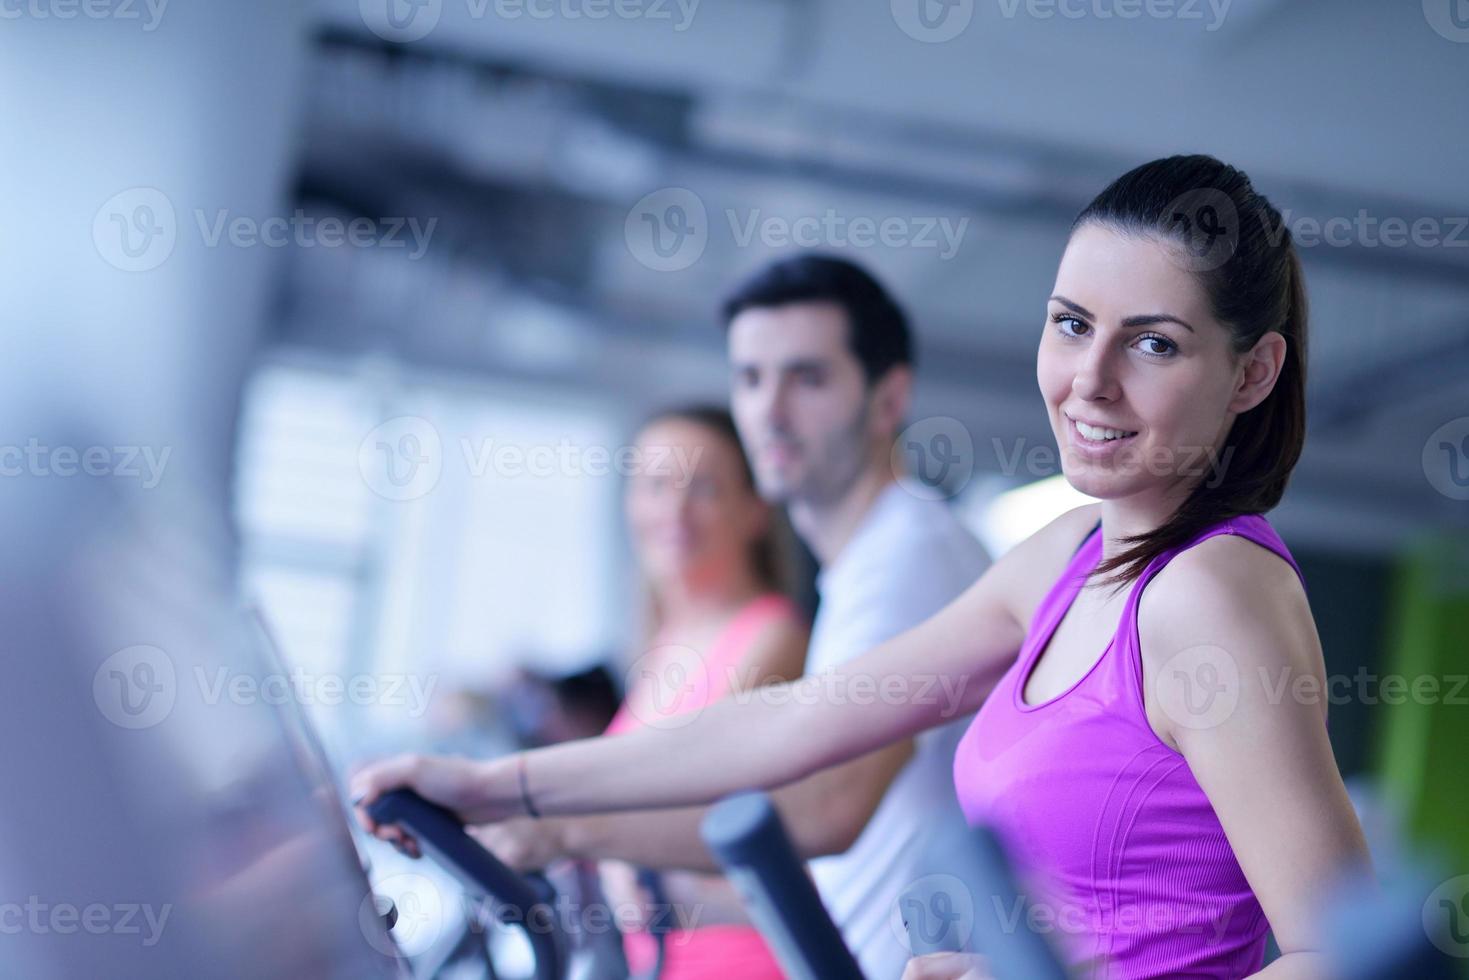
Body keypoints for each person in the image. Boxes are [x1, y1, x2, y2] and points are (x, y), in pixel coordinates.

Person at [355, 156, 1371, 979]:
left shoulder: (1212, 595)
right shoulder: (1067, 556)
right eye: (1069, 325)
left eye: (1151, 343)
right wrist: (499, 786)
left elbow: (1345, 954)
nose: (1087, 380)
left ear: (1252, 371)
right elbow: (797, 718)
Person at [466, 255, 992, 978]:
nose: (769, 412)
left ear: (887, 399)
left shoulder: (907, 557)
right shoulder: (867, 566)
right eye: (750, 378)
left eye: (806, 378)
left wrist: (557, 819)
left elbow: (823, 806)